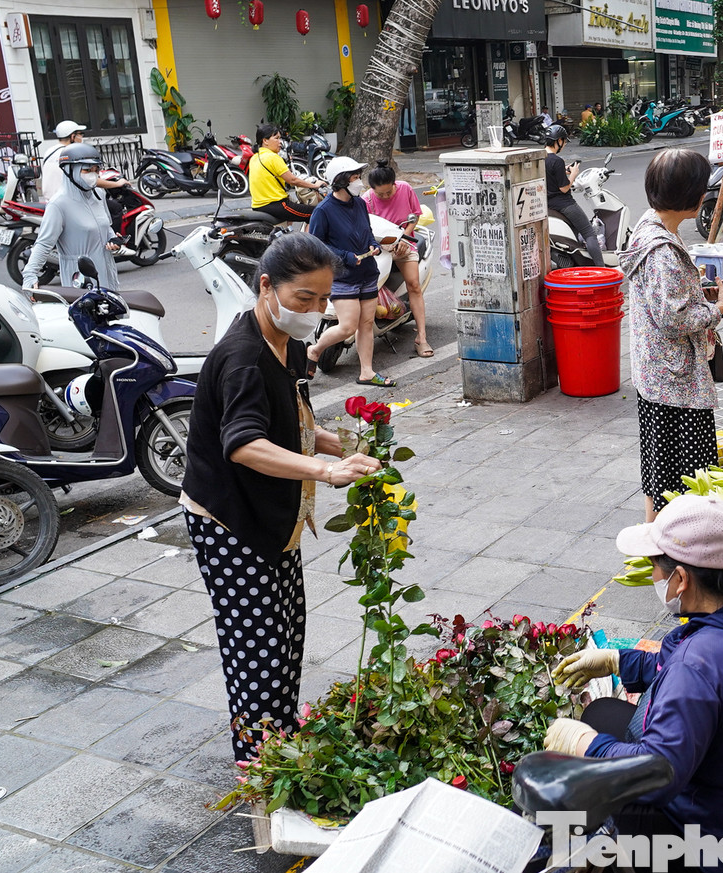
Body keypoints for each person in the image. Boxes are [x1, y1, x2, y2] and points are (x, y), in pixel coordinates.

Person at [181, 232, 382, 761]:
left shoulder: (287, 343)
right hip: (229, 520)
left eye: (323, 299)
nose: (315, 311)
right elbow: (245, 443)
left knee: (287, 634)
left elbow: (287, 420)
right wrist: (323, 469)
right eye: (304, 299)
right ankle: (258, 764)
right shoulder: (244, 358)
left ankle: (281, 743)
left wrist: (340, 445)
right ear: (266, 286)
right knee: (257, 650)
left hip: (272, 514)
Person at [546, 494, 723, 870]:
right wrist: (618, 660)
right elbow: (687, 666)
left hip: (708, 842)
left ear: (681, 579)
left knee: (584, 774)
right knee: (602, 713)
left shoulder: (699, 664)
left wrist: (586, 747)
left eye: (655, 567)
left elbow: (658, 772)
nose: (653, 576)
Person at [619, 149, 723, 521]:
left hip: (657, 373)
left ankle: (655, 547)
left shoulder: (650, 226)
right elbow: (674, 318)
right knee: (684, 481)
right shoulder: (662, 253)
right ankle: (671, 557)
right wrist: (717, 308)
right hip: (674, 382)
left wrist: (696, 292)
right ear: (690, 196)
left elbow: (665, 302)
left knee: (660, 476)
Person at [305, 156, 394, 388]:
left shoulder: (360, 204)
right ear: (341, 181)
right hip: (342, 277)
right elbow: (316, 245)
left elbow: (366, 231)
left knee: (366, 324)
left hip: (367, 272)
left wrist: (373, 246)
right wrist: (344, 257)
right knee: (347, 327)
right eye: (354, 177)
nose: (358, 182)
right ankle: (314, 350)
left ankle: (367, 372)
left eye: (357, 176)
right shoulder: (324, 211)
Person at [22, 144, 120, 290]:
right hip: (80, 278)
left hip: (106, 271)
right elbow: (43, 244)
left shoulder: (99, 194)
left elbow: (105, 227)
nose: (93, 175)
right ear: (69, 171)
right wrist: (30, 275)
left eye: (96, 170)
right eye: (87, 170)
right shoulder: (59, 204)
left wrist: (113, 240)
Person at [362, 161, 432, 358]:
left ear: (394, 184)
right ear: (372, 190)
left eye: (388, 193)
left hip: (404, 243)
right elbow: (365, 228)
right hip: (378, 247)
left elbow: (415, 217)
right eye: (380, 194)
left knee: (414, 285)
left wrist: (403, 238)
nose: (384, 197)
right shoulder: (367, 199)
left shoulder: (406, 189)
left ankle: (422, 337)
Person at [544, 125, 605, 265]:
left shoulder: (540, 157)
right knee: (589, 233)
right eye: (564, 142)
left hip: (548, 203)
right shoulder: (556, 161)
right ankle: (602, 269)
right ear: (558, 140)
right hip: (564, 204)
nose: (564, 145)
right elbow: (564, 188)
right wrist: (573, 174)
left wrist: (564, 170)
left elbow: (549, 175)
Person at [249, 124, 323, 224]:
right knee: (317, 213)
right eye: (276, 138)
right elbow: (293, 180)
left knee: (296, 208)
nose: (280, 142)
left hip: (258, 206)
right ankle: (309, 240)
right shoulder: (272, 157)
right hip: (276, 205)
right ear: (265, 141)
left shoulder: (254, 157)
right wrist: (315, 186)